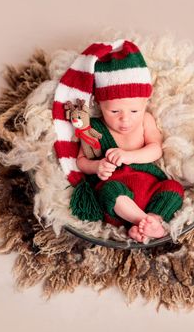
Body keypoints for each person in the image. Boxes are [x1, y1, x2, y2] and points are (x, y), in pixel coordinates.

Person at [53, 40, 184, 242]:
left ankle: (152, 219)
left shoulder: (145, 120)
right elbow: (80, 161)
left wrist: (129, 155)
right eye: (114, 111)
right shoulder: (93, 128)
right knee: (109, 191)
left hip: (150, 186)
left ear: (145, 103)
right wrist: (97, 167)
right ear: (99, 104)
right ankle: (143, 221)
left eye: (134, 111)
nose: (125, 119)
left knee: (174, 188)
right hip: (117, 193)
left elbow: (155, 149)